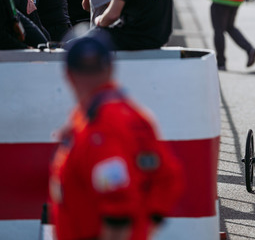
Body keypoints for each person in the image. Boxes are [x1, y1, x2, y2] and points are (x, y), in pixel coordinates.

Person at [49, 32, 184, 240]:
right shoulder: (132, 113)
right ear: (111, 69)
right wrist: (148, 223)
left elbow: (117, 199)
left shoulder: (98, 126)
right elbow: (168, 176)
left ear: (68, 75)